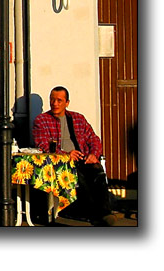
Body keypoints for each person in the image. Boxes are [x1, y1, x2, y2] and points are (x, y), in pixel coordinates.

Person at [32, 86, 116, 226]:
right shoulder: (42, 120)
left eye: (59, 100)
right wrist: (66, 154)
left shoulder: (78, 118)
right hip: (60, 162)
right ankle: (96, 214)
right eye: (52, 100)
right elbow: (43, 144)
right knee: (79, 176)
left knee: (97, 171)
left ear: (67, 103)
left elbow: (93, 138)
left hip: (81, 158)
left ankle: (104, 212)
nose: (55, 104)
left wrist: (93, 154)